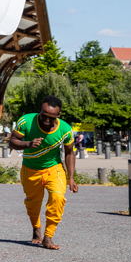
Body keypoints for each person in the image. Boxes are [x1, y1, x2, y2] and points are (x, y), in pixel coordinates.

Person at [9, 95, 78, 250]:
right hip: (30, 169)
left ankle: (48, 236)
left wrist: (71, 177)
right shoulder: (26, 121)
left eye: (51, 118)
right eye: (44, 116)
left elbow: (69, 153)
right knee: (33, 203)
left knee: (58, 197)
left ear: (58, 115)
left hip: (54, 169)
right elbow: (12, 141)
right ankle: (36, 227)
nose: (47, 120)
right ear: (40, 110)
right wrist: (28, 143)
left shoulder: (65, 130)